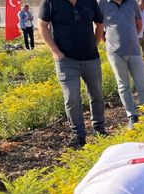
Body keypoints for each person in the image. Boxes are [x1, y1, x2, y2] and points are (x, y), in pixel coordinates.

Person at [38, 0, 106, 149]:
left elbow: (100, 23)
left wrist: (94, 45)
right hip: (66, 61)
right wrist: (55, 51)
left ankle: (99, 129)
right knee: (72, 98)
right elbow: (42, 25)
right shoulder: (50, 2)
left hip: (91, 59)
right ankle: (79, 136)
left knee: (97, 95)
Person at [98, 0, 144, 129]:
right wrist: (109, 42)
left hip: (134, 51)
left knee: (142, 84)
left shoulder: (132, 2)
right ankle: (132, 116)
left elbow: (138, 24)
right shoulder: (102, 3)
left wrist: (130, 38)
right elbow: (99, 25)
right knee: (123, 85)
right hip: (115, 53)